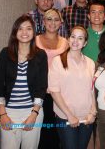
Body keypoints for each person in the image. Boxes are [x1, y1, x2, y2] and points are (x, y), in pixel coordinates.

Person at [0, 15, 48, 149]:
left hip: (32, 111)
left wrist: (34, 114)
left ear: (34, 32)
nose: (24, 32)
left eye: (29, 29)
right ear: (15, 32)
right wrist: (3, 114)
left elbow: (42, 87)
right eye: (20, 29)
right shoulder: (5, 53)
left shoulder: (40, 55)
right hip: (9, 112)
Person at [48, 26, 96, 149]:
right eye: (73, 36)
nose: (75, 41)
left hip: (86, 118)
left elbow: (91, 90)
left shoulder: (90, 63)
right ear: (68, 39)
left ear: (85, 43)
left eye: (80, 38)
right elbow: (54, 91)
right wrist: (69, 115)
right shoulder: (57, 61)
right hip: (66, 117)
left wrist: (93, 112)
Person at [36, 8, 69, 149]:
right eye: (49, 19)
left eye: (56, 19)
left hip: (58, 92)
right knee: (39, 128)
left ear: (60, 23)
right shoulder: (34, 40)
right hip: (38, 91)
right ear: (43, 22)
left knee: (55, 130)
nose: (52, 22)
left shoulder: (66, 43)